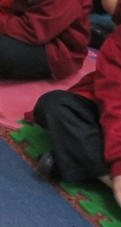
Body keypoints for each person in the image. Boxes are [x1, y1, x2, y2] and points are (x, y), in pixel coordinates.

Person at [32, 25, 121, 206]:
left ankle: (72, 160)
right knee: (55, 106)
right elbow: (114, 105)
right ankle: (107, 178)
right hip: (109, 117)